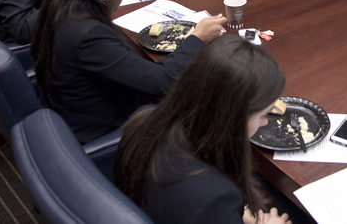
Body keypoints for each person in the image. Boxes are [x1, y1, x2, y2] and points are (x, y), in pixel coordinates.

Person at [31, 0, 226, 143]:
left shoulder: (61, 2)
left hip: (74, 107)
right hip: (102, 128)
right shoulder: (88, 36)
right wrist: (197, 39)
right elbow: (162, 82)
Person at [114, 35, 292, 224]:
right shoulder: (215, 196)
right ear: (232, 118)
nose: (264, 122)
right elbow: (205, 202)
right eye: (262, 115)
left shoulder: (144, 120)